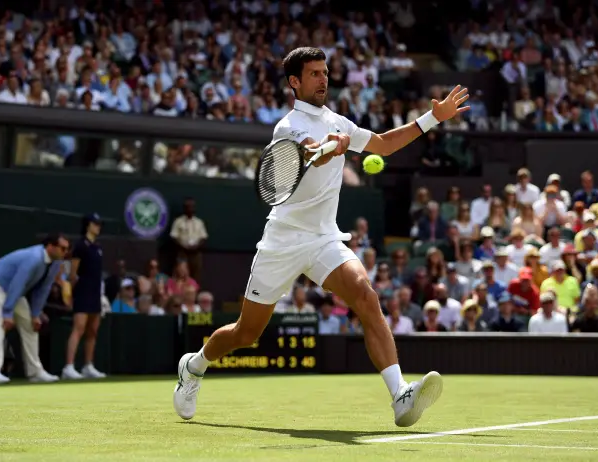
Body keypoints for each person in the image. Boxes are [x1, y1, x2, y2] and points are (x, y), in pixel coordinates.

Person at [173, 47, 470, 427]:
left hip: (323, 239)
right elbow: (308, 151)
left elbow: (381, 144)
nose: (323, 78)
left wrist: (433, 118)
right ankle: (194, 366)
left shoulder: (339, 121)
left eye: (325, 72)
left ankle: (400, 396)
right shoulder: (287, 127)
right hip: (282, 241)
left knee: (366, 295)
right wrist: (330, 149)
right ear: (294, 82)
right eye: (314, 73)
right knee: (247, 333)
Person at [0, 233, 69, 383]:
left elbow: (44, 289)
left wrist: (35, 313)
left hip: (15, 292)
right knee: (0, 322)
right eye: (62, 248)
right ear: (50, 247)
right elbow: (18, 283)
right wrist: (7, 312)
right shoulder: (33, 258)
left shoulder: (55, 263)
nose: (65, 252)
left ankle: (35, 372)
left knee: (31, 325)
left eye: (67, 249)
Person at [62, 214, 107, 380]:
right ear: (88, 225)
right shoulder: (80, 245)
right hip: (82, 292)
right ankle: (68, 366)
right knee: (79, 328)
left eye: (99, 224)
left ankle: (88, 365)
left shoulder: (98, 247)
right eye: (95, 224)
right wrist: (70, 294)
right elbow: (73, 273)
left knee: (92, 330)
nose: (98, 227)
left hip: (96, 292)